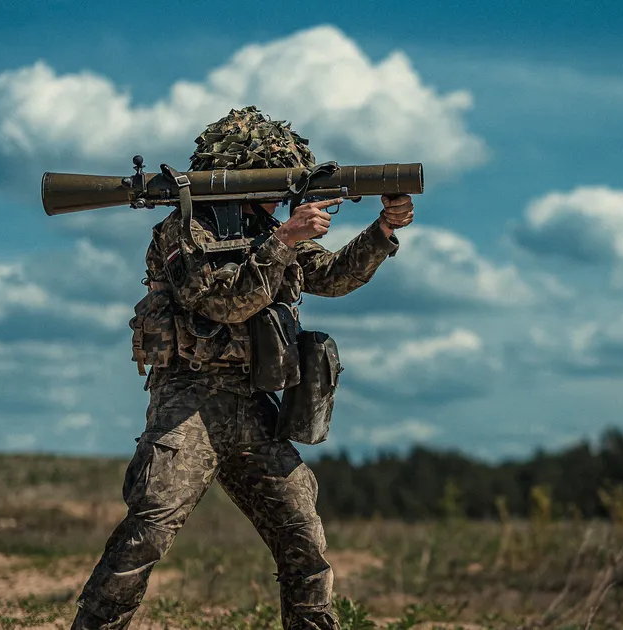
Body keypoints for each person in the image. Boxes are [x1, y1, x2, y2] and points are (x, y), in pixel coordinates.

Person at [72, 106, 415, 630]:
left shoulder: (269, 227)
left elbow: (336, 277)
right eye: (274, 178)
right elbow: (222, 305)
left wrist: (383, 229)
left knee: (302, 534)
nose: (284, 194)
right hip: (190, 402)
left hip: (252, 404)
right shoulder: (183, 230)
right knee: (149, 529)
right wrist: (284, 241)